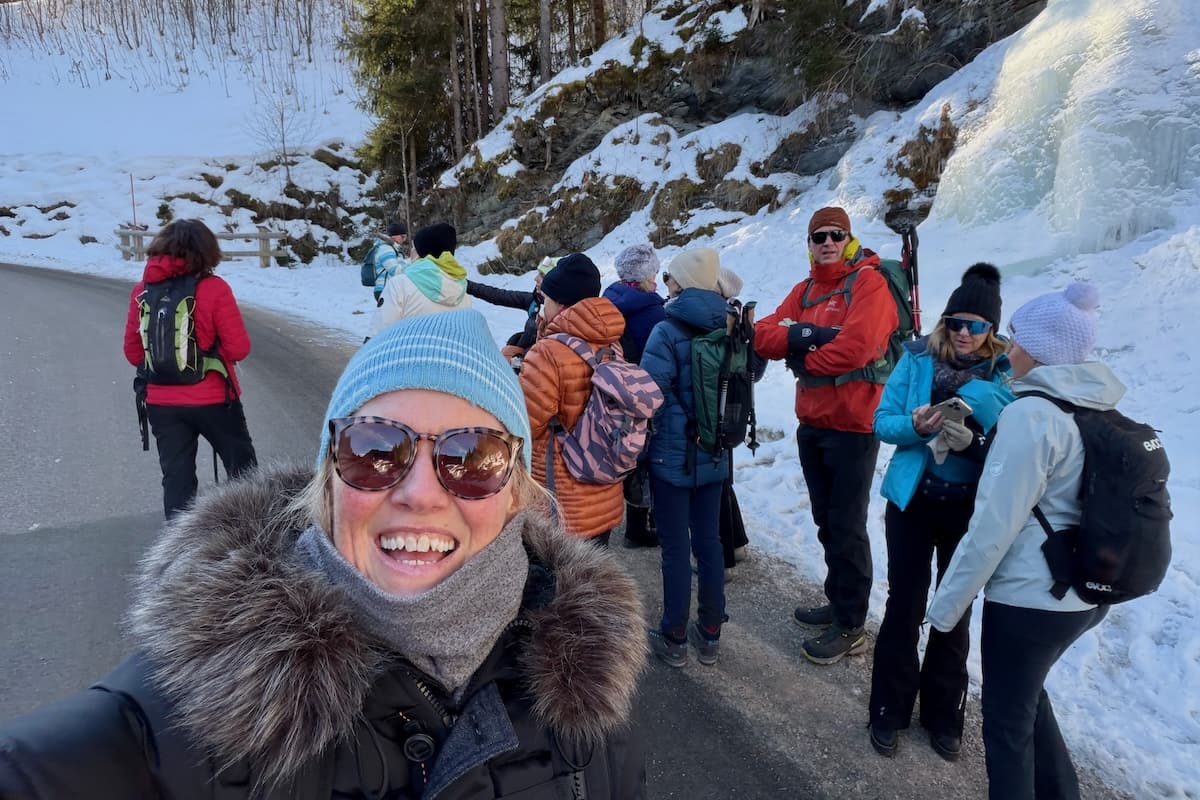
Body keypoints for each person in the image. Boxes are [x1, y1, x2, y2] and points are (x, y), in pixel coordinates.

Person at [1, 309, 648, 798]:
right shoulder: (178, 715)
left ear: (515, 494)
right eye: (374, 449)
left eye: (471, 456)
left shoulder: (586, 706)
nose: (420, 493)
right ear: (329, 484)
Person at [926, 282, 1112, 799]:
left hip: (1030, 598)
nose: (1009, 348)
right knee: (1028, 699)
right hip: (1079, 589)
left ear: (1041, 348)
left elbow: (992, 526)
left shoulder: (1032, 415)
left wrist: (944, 612)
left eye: (1016, 339)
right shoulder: (1090, 406)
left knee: (1006, 731)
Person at [868, 263, 1013, 762]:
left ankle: (943, 716)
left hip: (969, 513)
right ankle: (888, 708)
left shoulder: (1004, 376)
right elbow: (881, 422)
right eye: (956, 322)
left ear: (992, 330)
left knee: (954, 612)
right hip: (911, 503)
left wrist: (974, 441)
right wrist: (918, 426)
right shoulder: (916, 361)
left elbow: (1014, 448)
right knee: (904, 608)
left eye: (976, 325)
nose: (964, 333)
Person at [754, 206, 898, 664]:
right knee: (824, 519)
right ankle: (839, 601)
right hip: (812, 423)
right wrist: (810, 334)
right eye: (819, 237)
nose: (828, 243)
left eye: (836, 235)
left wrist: (803, 355)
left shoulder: (869, 284)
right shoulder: (807, 289)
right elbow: (762, 336)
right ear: (810, 244)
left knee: (848, 524)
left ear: (849, 238)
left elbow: (861, 346)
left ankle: (852, 623)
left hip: (854, 425)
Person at [121, 218, 258, 519]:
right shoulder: (214, 289)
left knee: (177, 479)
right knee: (243, 471)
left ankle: (179, 551)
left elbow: (133, 353)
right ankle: (252, 535)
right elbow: (239, 348)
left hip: (161, 403)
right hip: (214, 400)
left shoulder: (142, 291)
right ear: (206, 252)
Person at [640, 248, 730, 667]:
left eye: (671, 278)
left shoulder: (666, 329)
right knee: (709, 542)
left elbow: (649, 394)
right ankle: (710, 633)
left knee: (676, 548)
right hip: (715, 450)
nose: (666, 284)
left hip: (672, 457)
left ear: (684, 282)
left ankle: (674, 635)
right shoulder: (731, 325)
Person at [519, 253, 626, 545]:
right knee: (592, 584)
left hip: (561, 500)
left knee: (555, 585)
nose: (542, 306)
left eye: (545, 300)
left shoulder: (549, 353)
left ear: (562, 304)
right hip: (603, 488)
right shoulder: (611, 343)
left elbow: (525, 424)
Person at [602, 244, 666, 549]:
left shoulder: (608, 299)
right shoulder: (654, 312)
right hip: (641, 389)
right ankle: (639, 526)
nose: (656, 279)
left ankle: (609, 516)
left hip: (609, 387)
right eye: (654, 272)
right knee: (642, 456)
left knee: (619, 450)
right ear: (644, 276)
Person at [714, 265, 754, 570]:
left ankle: (725, 557)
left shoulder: (722, 321)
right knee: (723, 482)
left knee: (717, 486)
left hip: (719, 410)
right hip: (733, 409)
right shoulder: (738, 320)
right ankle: (736, 543)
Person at [370, 222, 469, 337]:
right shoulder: (462, 289)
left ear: (420, 252)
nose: (404, 239)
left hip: (409, 351)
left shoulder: (399, 285)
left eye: (413, 247)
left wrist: (413, 264)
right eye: (402, 236)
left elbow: (378, 333)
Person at [467, 255, 559, 369]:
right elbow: (499, 296)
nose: (536, 278)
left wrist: (522, 359)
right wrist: (467, 285)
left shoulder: (560, 314)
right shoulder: (534, 301)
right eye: (538, 273)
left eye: (542, 275)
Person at [366, 220, 413, 306]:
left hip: (390, 290)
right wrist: (412, 260)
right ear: (394, 236)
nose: (404, 239)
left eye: (405, 237)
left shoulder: (393, 249)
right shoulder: (386, 249)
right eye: (402, 236)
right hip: (385, 290)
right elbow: (395, 271)